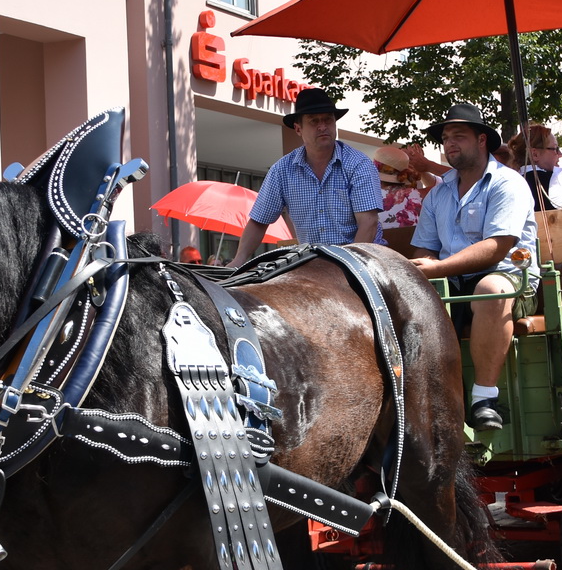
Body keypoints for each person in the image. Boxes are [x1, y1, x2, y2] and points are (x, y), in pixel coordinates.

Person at [409, 104, 538, 432]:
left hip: (509, 277)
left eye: (459, 136)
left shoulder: (508, 183)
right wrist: (423, 270)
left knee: (488, 290)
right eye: (446, 138)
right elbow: (424, 249)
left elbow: (497, 248)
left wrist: (436, 269)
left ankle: (484, 399)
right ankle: (424, 399)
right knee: (405, 300)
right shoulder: (437, 194)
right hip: (452, 279)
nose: (450, 143)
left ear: (482, 140)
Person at [231, 88, 384, 267]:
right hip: (312, 265)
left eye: (328, 119)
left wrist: (348, 266)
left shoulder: (358, 164)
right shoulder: (282, 170)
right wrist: (238, 260)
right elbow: (258, 221)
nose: (322, 126)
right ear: (298, 129)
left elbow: (369, 222)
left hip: (363, 260)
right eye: (314, 121)